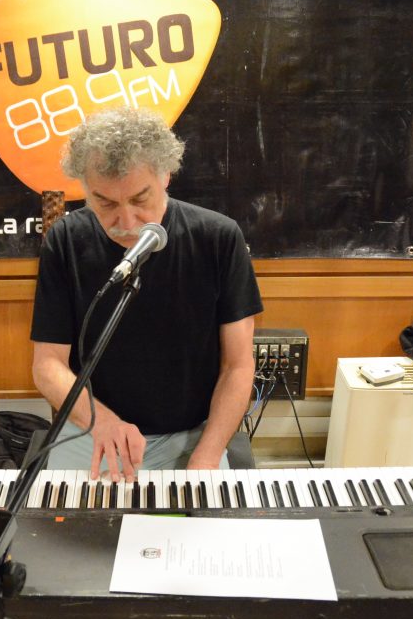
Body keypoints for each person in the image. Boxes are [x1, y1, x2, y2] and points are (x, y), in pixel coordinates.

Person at [30, 107, 263, 482]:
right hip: (91, 429)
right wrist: (103, 422)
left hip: (191, 436)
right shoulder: (66, 241)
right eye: (105, 203)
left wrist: (207, 455)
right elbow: (47, 366)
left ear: (165, 176)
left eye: (140, 199)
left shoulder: (218, 238)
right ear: (85, 189)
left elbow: (237, 366)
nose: (126, 223)